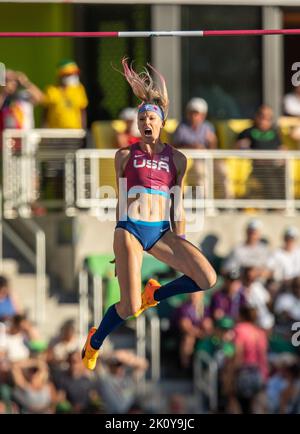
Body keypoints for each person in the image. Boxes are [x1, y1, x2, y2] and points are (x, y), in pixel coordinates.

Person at [81, 58, 216, 370]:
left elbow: (177, 203)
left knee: (207, 278)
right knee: (128, 307)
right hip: (129, 227)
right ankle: (95, 341)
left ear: (162, 123)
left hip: (159, 231)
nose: (146, 122)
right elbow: (120, 197)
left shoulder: (178, 159)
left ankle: (155, 293)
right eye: (142, 117)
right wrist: (118, 240)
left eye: (151, 118)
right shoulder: (124, 155)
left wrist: (180, 241)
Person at [235, 105, 285, 200]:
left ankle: (283, 203)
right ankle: (277, 205)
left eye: (268, 117)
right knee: (269, 177)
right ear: (257, 116)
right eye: (262, 116)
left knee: (283, 174)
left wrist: (282, 157)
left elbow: (281, 148)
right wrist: (244, 147)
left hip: (275, 165)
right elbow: (238, 146)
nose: (264, 119)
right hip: (257, 166)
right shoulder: (248, 132)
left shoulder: (275, 133)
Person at [42, 59, 88, 129]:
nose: (73, 76)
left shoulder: (79, 89)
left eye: (75, 73)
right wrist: (44, 130)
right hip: (55, 132)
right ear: (60, 75)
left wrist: (83, 129)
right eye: (69, 74)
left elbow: (82, 110)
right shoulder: (51, 90)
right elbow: (45, 113)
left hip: (75, 132)